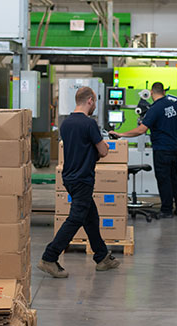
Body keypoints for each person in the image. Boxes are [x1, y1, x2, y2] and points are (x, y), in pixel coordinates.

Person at [38, 86, 121, 278]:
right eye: (94, 102)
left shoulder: (66, 124)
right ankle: (49, 258)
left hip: (69, 177)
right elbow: (103, 151)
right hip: (83, 178)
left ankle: (102, 257)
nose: (94, 106)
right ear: (90, 100)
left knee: (91, 218)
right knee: (76, 218)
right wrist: (104, 145)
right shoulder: (89, 124)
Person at [109, 82, 177, 218]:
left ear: (151, 92)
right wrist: (172, 136)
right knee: (174, 177)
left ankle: (166, 210)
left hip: (161, 148)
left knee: (164, 179)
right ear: (163, 91)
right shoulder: (173, 104)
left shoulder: (155, 108)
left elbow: (142, 129)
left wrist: (121, 134)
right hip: (174, 146)